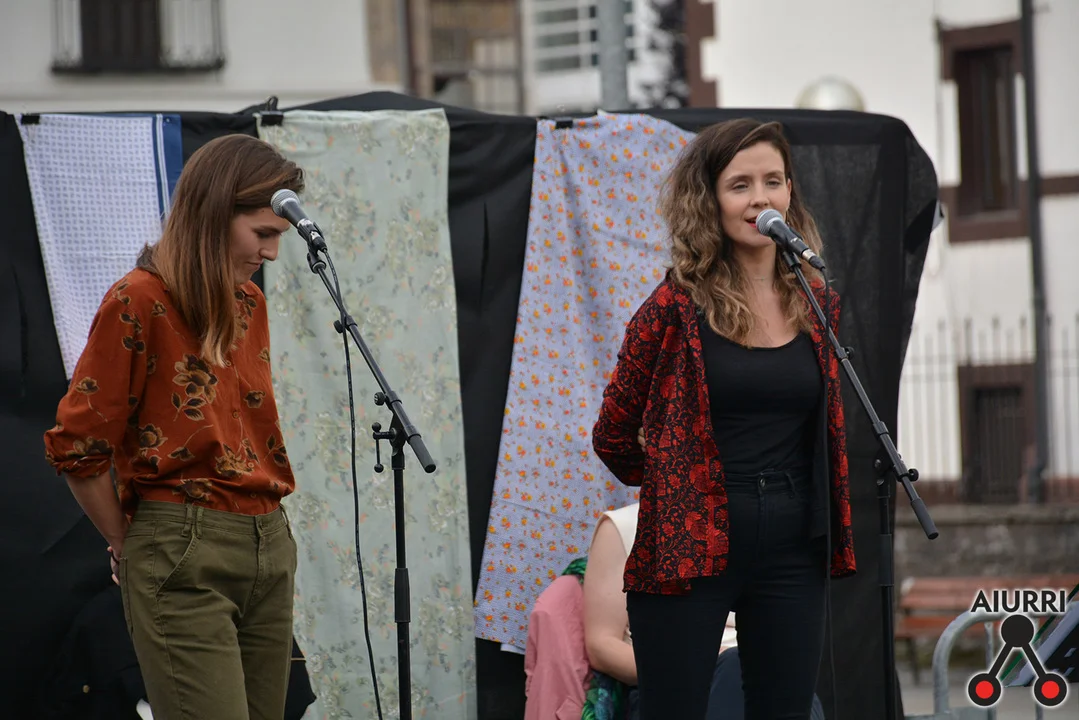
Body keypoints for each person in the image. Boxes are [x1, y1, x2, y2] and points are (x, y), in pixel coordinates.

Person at [591, 118, 856, 720]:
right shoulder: (673, 306)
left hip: (792, 538)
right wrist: (679, 481)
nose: (761, 198)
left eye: (773, 181)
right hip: (692, 536)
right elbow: (613, 433)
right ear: (708, 200)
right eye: (741, 185)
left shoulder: (817, 304)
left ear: (790, 191)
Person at [43, 133, 305, 720]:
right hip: (182, 542)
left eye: (279, 237)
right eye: (262, 233)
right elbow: (79, 447)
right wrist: (125, 543)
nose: (271, 253)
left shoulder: (248, 303)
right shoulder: (137, 299)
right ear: (214, 215)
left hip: (268, 539)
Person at [584, 502, 826, 720]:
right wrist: (701, 665)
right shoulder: (623, 525)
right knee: (734, 666)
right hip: (672, 685)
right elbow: (600, 645)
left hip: (762, 677)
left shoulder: (772, 525)